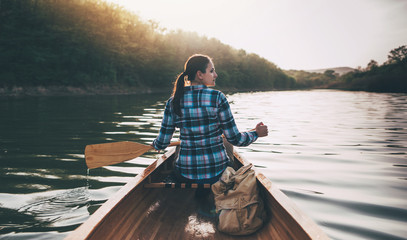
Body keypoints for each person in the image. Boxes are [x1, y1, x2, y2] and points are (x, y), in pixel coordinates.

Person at [152, 54, 268, 185]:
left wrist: (155, 144)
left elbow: (162, 143)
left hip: (185, 174)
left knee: (180, 148)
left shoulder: (173, 101)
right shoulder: (218, 97)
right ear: (200, 75)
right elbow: (235, 139)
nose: (216, 75)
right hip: (217, 174)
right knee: (227, 142)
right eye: (212, 71)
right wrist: (256, 133)